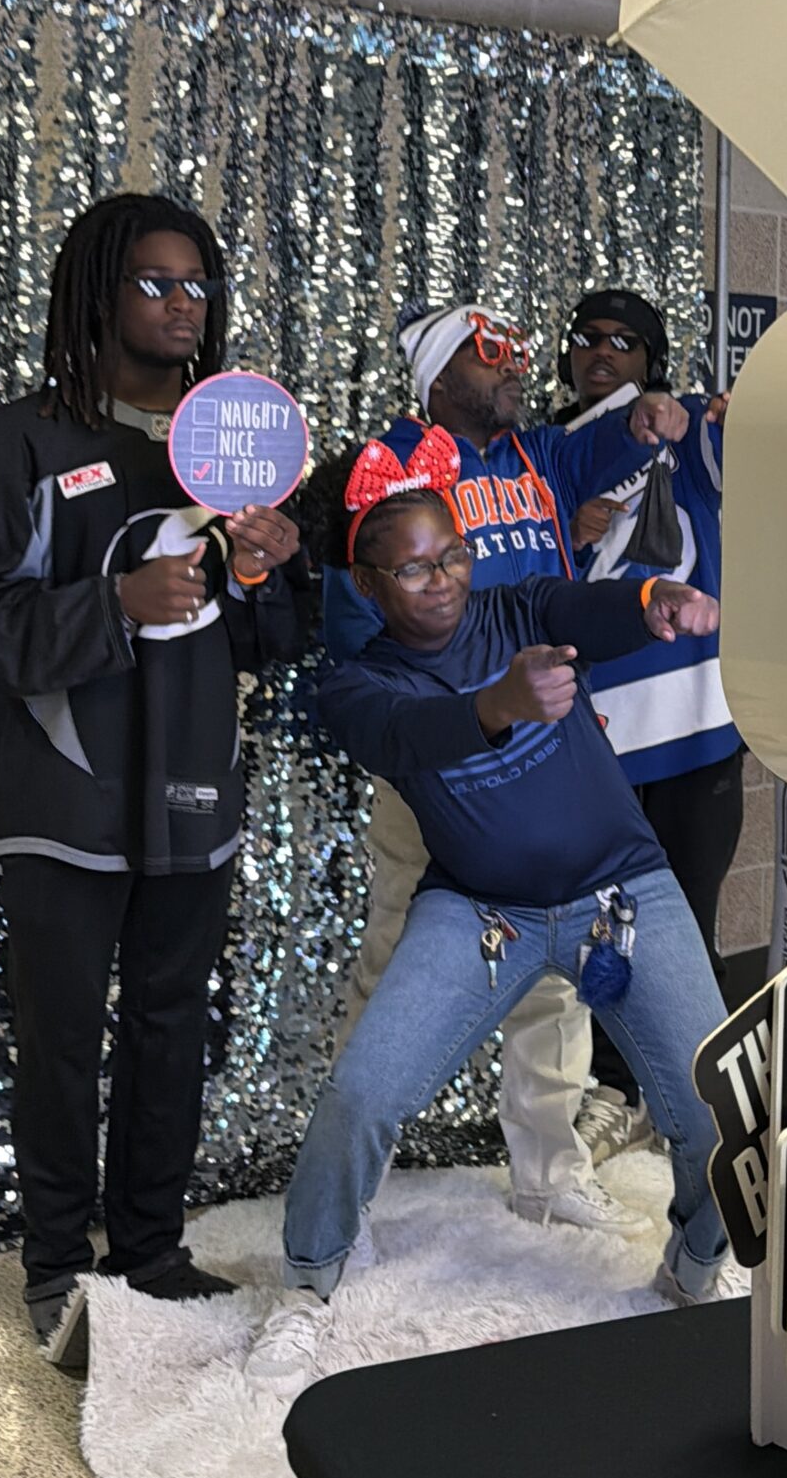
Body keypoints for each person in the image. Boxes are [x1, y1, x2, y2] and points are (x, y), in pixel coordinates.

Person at [248, 432, 730, 1392]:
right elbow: (407, 731)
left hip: (621, 895)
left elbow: (590, 604)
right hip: (480, 913)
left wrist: (655, 602)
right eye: (413, 568)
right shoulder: (356, 683)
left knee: (720, 1103)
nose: (442, 579)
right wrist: (499, 703)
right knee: (361, 1096)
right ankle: (306, 1288)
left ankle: (696, 1268)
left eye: (453, 554)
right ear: (370, 585)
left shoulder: (518, 605)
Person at [0, 193, 309, 1364]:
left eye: (195, 284)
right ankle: (56, 1265)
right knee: (59, 1038)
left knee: (171, 1026)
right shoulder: (26, 444)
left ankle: (148, 1247)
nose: (181, 304)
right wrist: (111, 602)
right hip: (64, 801)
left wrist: (258, 573)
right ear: (98, 295)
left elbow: (269, 643)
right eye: (155, 282)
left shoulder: (230, 457)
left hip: (191, 796)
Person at [312, 300, 692, 1235]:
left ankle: (548, 1168)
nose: (516, 367)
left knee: (560, 968)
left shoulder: (539, 455)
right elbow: (359, 634)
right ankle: (354, 1174)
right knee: (399, 953)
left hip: (550, 746)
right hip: (441, 759)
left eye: (518, 354)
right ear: (439, 377)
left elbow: (620, 440)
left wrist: (655, 414)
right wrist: (434, 723)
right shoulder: (385, 471)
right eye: (490, 358)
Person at [556, 290, 742, 1165]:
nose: (603, 353)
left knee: (689, 923)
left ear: (651, 356)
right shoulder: (551, 448)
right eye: (587, 340)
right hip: (599, 735)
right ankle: (615, 1092)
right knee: (607, 930)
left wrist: (742, 419)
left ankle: (695, 1097)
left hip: (699, 725)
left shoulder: (683, 428)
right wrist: (570, 523)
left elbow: (741, 458)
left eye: (623, 341)